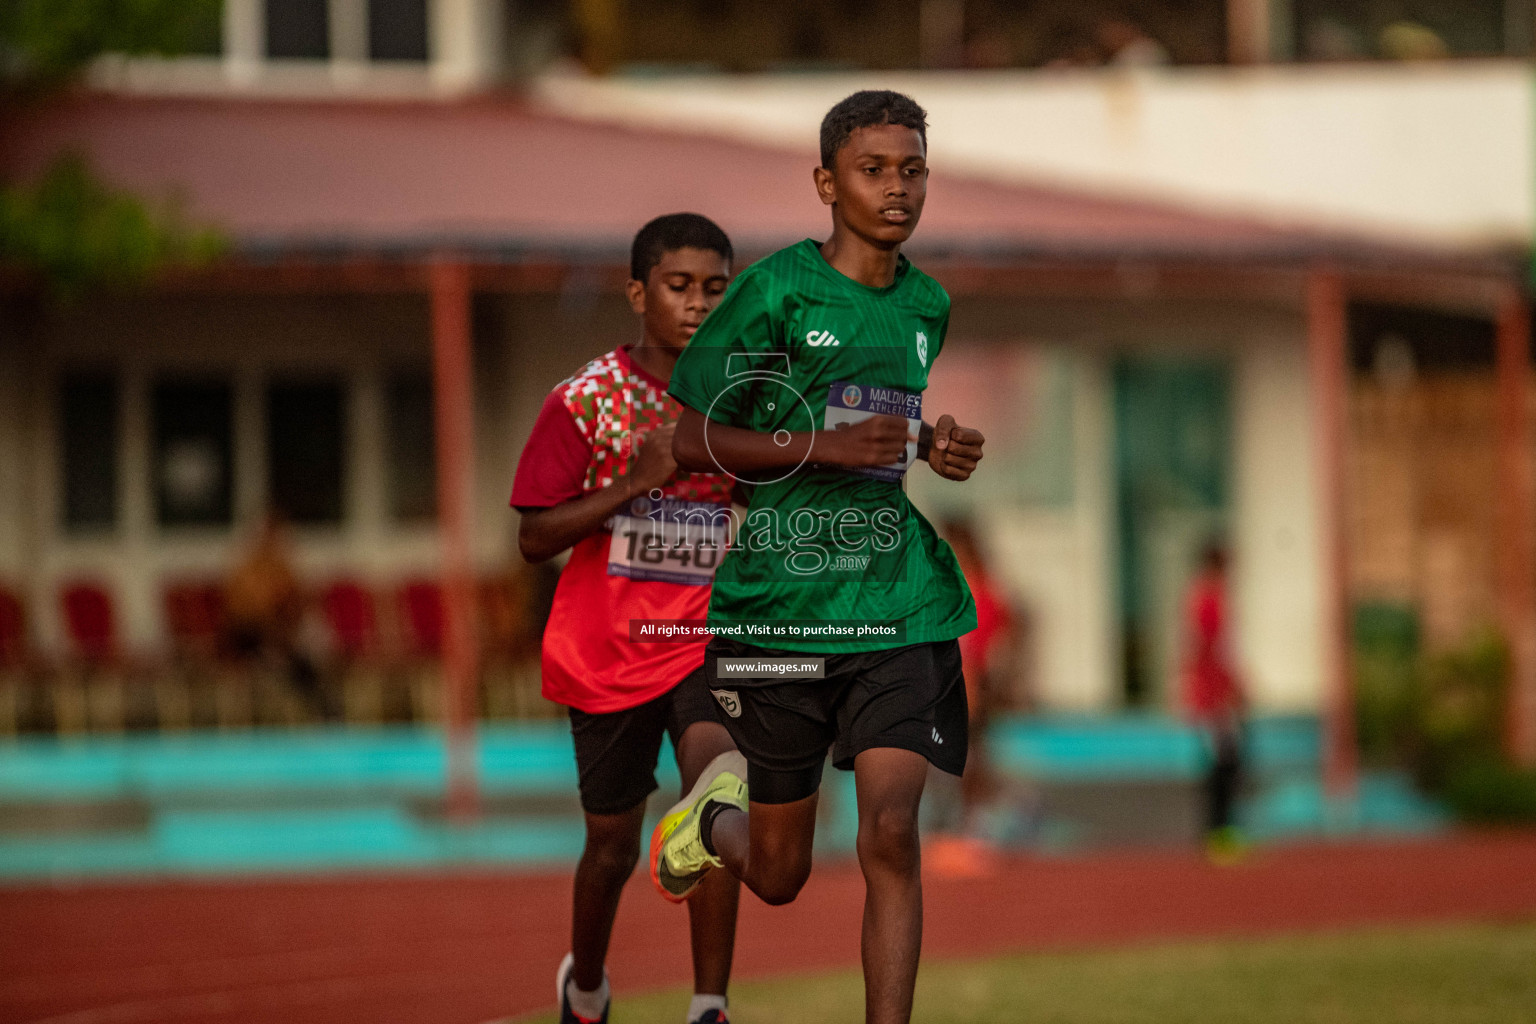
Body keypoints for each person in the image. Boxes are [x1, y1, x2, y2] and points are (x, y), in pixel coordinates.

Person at [651, 90, 986, 1024]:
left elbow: (881, 415)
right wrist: (830, 452)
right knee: (780, 873)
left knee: (890, 830)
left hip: (895, 602)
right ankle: (708, 820)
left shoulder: (928, 304)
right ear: (825, 182)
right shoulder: (777, 291)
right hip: (782, 608)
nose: (897, 188)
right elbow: (692, 439)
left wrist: (932, 444)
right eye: (874, 169)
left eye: (912, 169)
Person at [511, 213, 743, 1024]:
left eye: (716, 289)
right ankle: (587, 987)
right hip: (607, 653)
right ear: (639, 293)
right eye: (680, 287)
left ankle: (709, 1005)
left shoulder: (741, 398)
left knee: (720, 793)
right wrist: (633, 486)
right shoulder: (585, 403)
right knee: (610, 846)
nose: (698, 305)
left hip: (703, 638)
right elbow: (533, 536)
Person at [223, 511, 329, 718]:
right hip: (246, 635)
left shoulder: (282, 567)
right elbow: (241, 611)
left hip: (281, 635)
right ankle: (309, 697)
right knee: (288, 649)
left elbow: (295, 602)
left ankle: (314, 701)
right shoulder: (247, 569)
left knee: (311, 641)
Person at [1179, 541, 1246, 864]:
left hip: (1213, 689)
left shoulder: (1208, 597)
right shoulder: (1207, 599)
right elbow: (1209, 647)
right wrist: (1221, 688)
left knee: (1226, 761)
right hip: (1212, 693)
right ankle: (1217, 833)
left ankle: (1219, 831)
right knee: (1224, 763)